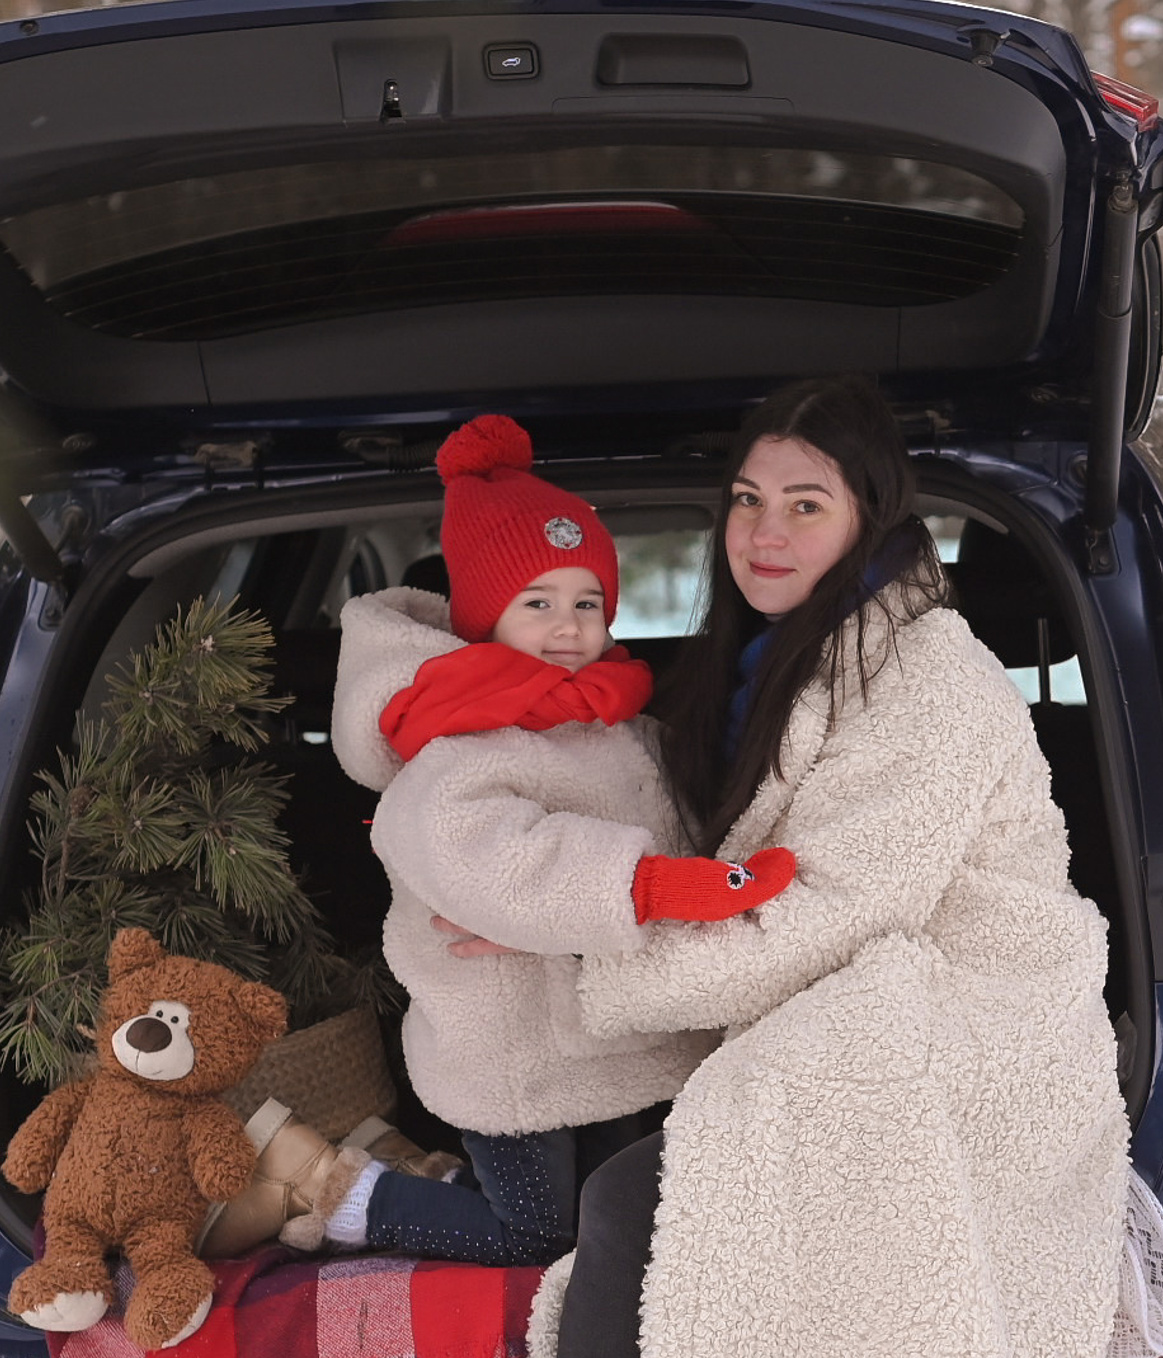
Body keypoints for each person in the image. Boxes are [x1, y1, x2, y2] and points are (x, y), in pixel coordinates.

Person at [391, 376, 1130, 1358]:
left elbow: (833, 906)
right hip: (817, 1024)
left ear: (870, 517)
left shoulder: (928, 672)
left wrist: (587, 981)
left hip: (956, 1027)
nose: (766, 530)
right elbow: (657, 861)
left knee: (655, 1217)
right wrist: (511, 924)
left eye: (806, 502)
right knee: (691, 1321)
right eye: (745, 500)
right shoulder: (752, 665)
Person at [218, 415, 797, 1264]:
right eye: (538, 604)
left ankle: (421, 1175)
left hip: (615, 1037)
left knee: (616, 1216)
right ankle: (340, 1191)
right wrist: (652, 888)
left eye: (587, 603)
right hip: (509, 1047)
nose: (569, 625)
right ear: (488, 616)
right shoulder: (457, 742)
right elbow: (489, 858)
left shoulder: (625, 727)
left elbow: (687, 827)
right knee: (537, 1233)